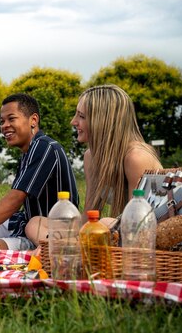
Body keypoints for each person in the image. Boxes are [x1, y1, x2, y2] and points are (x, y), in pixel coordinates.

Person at [25, 84, 162, 246]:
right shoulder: (91, 157)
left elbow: (137, 225)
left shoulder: (137, 157)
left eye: (81, 116)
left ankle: (62, 249)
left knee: (104, 223)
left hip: (148, 236)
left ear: (104, 121)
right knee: (36, 223)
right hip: (117, 232)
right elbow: (88, 216)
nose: (73, 122)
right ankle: (61, 248)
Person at [0, 93, 78, 256]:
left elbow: (15, 199)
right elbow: (13, 203)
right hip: (24, 221)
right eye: (2, 121)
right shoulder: (28, 152)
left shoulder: (45, 147)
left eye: (11, 119)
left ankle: (35, 254)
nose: (4, 126)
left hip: (44, 232)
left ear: (33, 120)